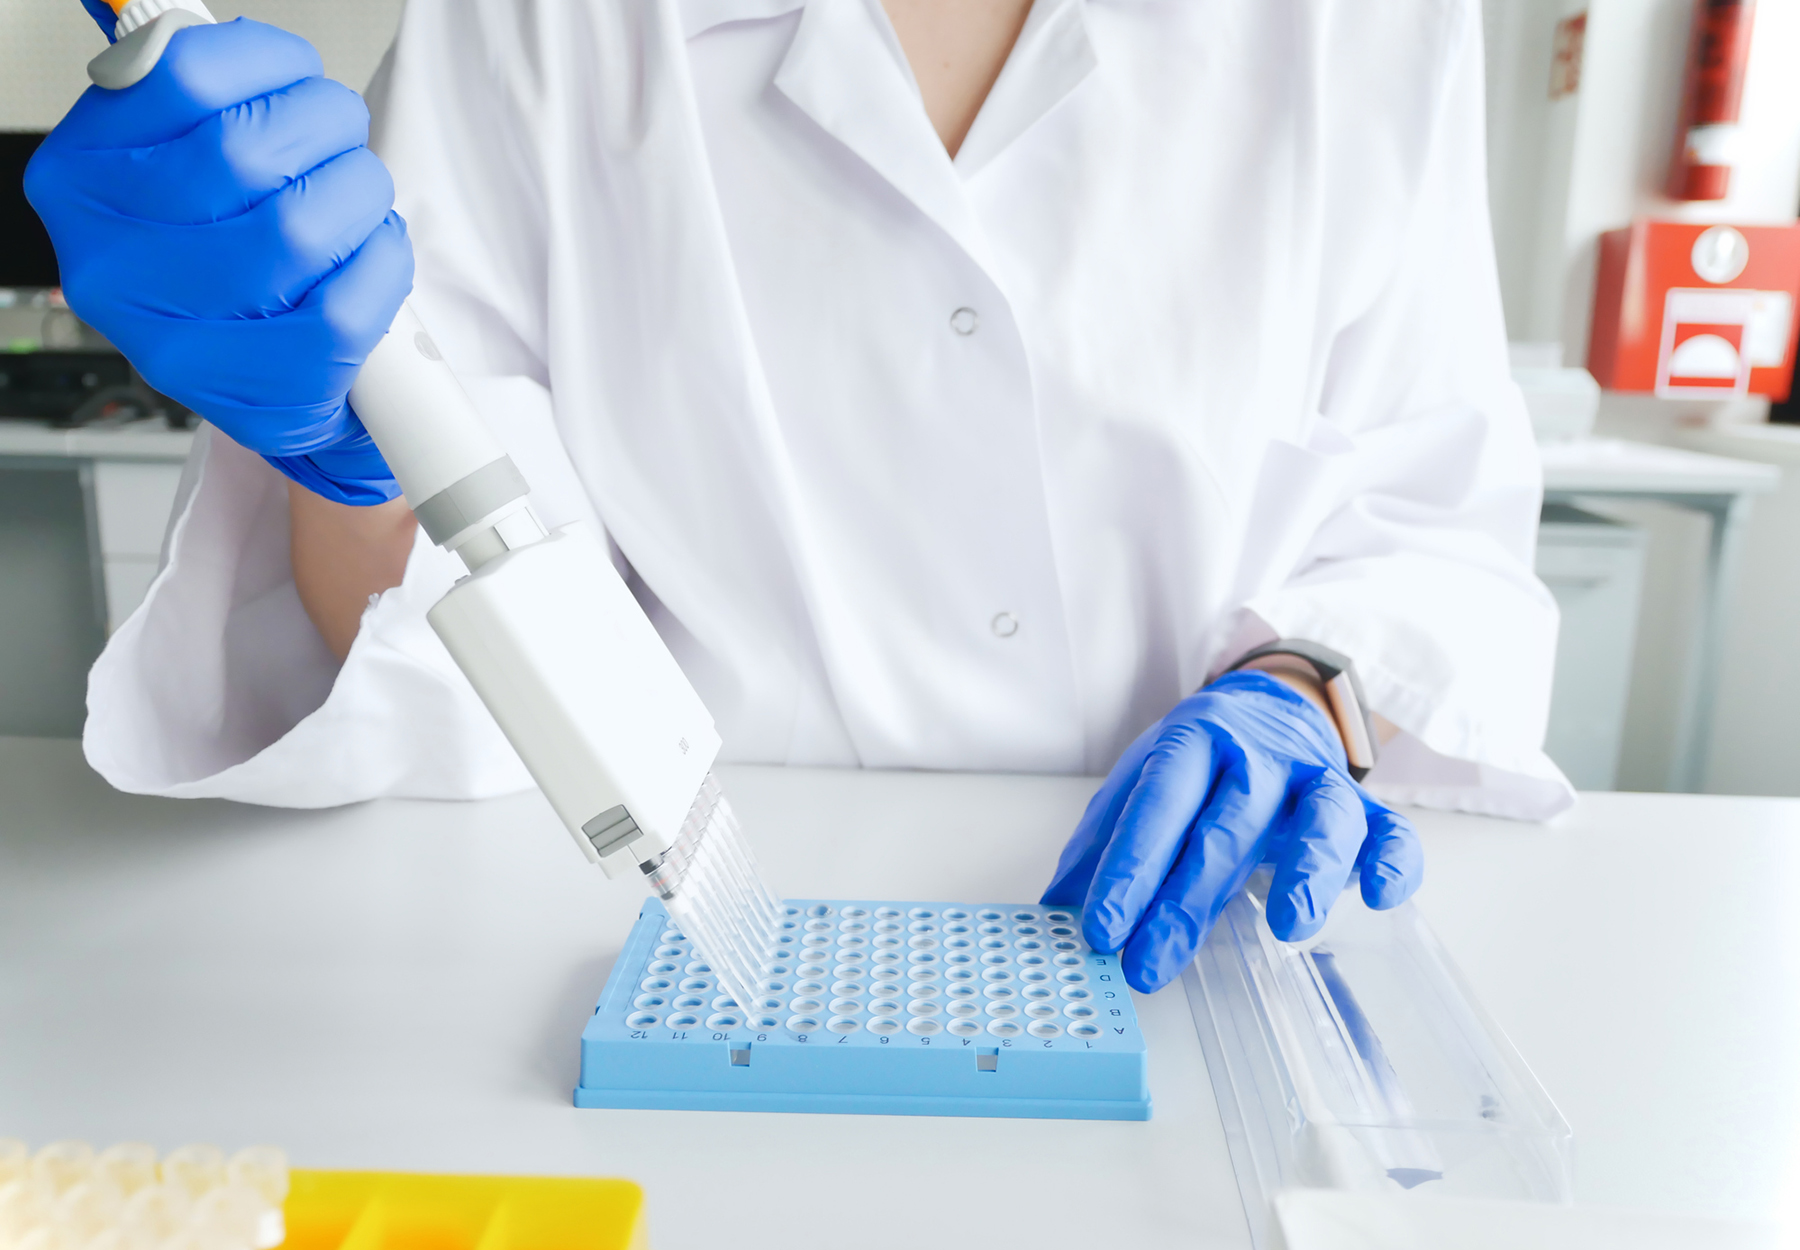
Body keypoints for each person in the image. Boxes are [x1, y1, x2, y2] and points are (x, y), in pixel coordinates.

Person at [28, 0, 1571, 995]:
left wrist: (1303, 681)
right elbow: (430, 622)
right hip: (651, 937)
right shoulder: (530, 24)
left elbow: (1425, 508)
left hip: (1204, 946)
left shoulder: (1361, 27)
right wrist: (341, 444)